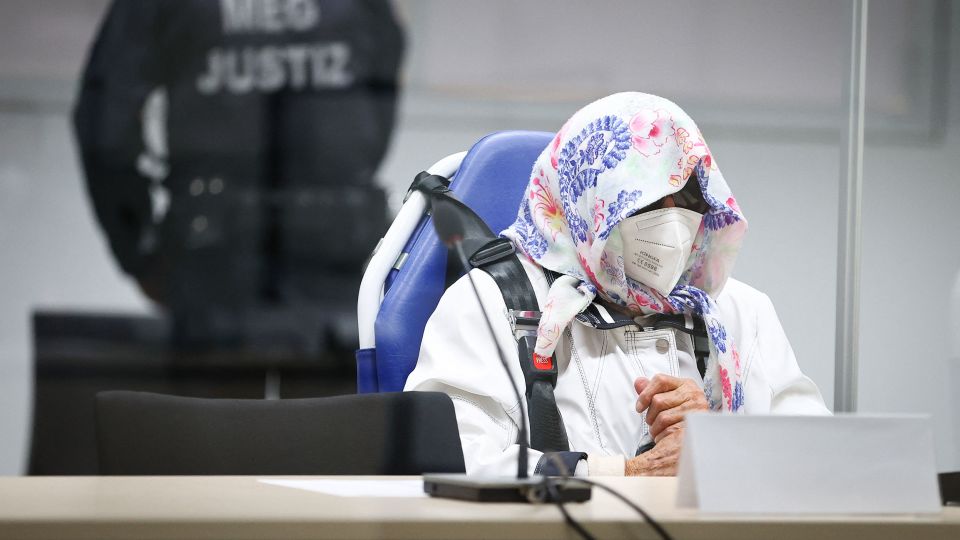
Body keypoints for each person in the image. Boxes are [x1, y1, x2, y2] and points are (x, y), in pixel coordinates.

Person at [404, 92, 829, 477]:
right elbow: (449, 456)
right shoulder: (494, 303)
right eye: (646, 199)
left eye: (687, 197)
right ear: (591, 199)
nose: (673, 219)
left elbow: (820, 457)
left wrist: (720, 440)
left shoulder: (739, 312)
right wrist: (624, 473)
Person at [74, 0, 404, 353]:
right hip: (336, 257)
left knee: (218, 388)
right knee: (340, 388)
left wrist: (138, 248)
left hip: (211, 261)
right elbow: (381, 90)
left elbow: (106, 124)